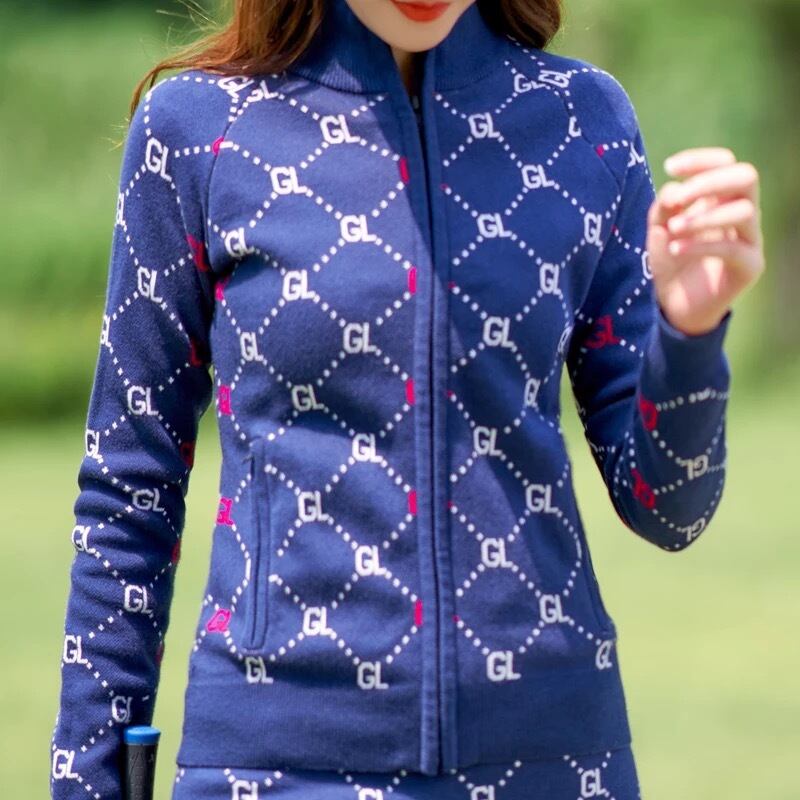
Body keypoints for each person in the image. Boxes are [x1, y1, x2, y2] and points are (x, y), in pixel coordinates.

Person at [50, 0, 765, 798]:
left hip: (554, 759)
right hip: (274, 768)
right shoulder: (198, 129)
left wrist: (689, 331)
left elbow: (669, 508)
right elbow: (130, 494)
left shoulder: (583, 122)